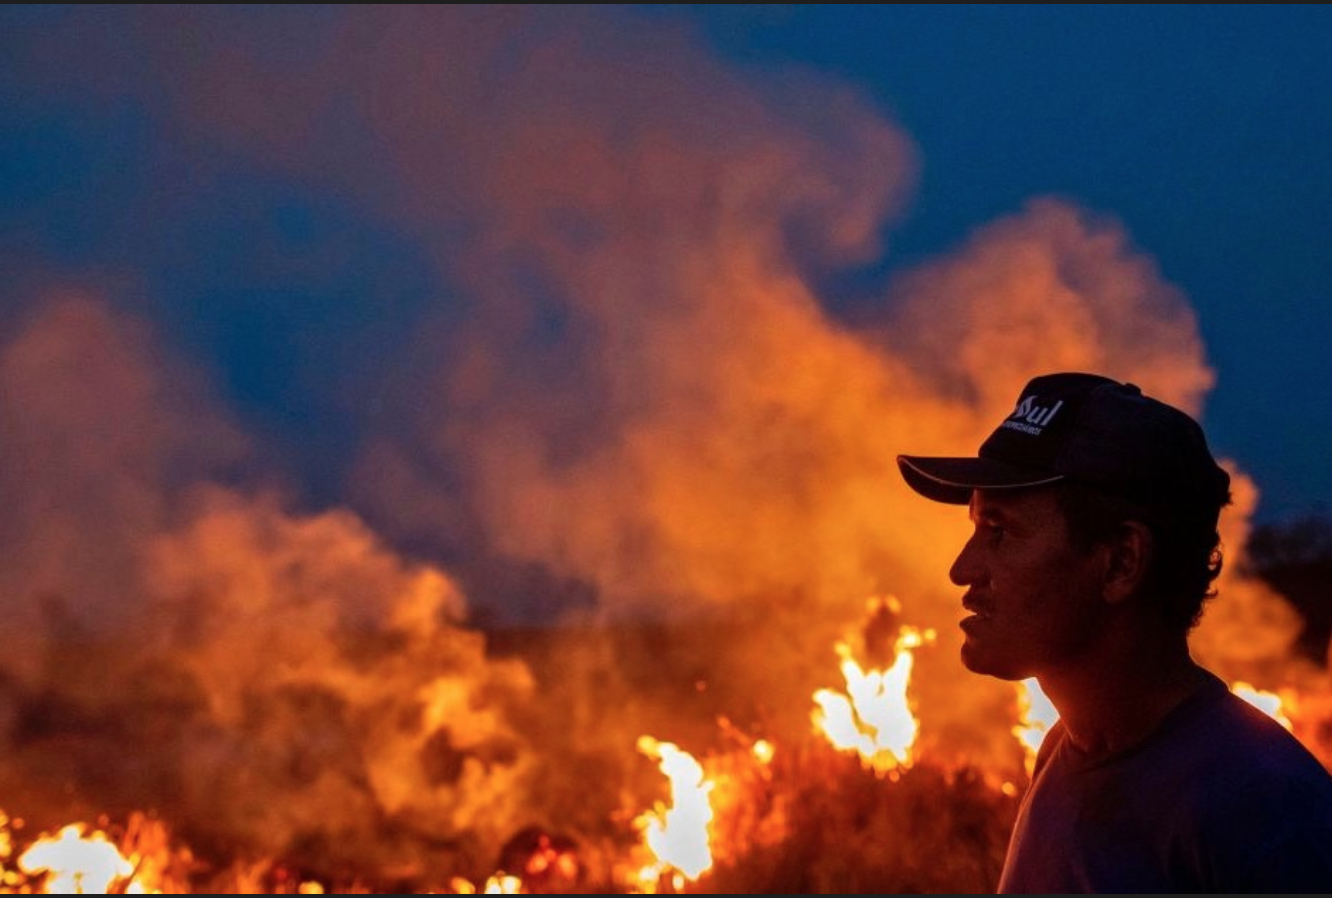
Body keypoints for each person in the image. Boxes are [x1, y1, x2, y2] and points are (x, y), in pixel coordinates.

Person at [896, 371, 1332, 893]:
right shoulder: (1066, 749)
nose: (962, 569)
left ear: (1122, 562)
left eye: (1000, 531)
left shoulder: (1264, 812)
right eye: (974, 529)